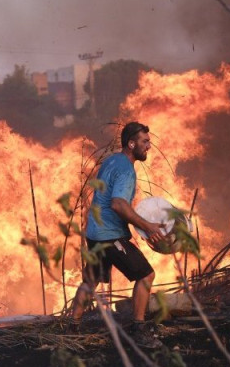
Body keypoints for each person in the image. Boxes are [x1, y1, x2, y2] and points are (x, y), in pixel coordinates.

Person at [71, 121, 166, 348]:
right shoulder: (126, 169)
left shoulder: (112, 160)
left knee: (90, 280)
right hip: (109, 235)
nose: (148, 147)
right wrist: (148, 226)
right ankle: (138, 328)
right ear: (131, 144)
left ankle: (72, 325)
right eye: (144, 142)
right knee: (146, 276)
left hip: (94, 231)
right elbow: (118, 205)